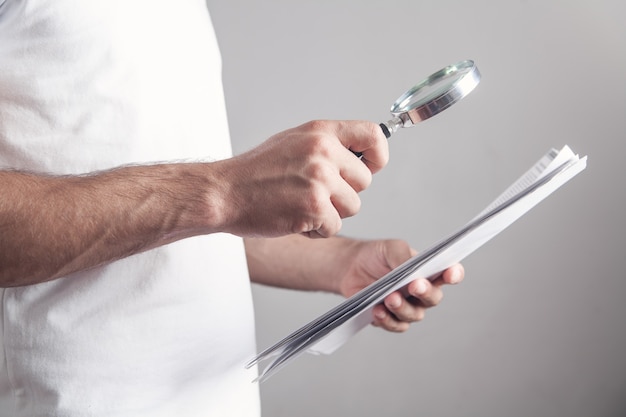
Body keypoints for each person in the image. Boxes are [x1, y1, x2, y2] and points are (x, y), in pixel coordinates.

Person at [0, 0, 464, 416]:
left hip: (219, 397)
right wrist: (225, 190)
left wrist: (339, 262)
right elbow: (207, 199)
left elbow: (167, 223)